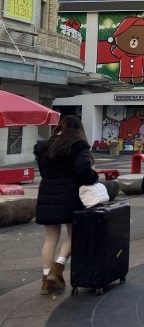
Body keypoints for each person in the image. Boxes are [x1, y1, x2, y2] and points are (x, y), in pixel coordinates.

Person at [34, 115, 98, 295]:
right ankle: (58, 267)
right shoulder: (78, 145)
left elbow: (44, 171)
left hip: (47, 194)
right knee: (74, 234)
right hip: (70, 194)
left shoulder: (44, 147)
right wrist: (93, 178)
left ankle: (46, 280)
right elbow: (83, 170)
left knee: (50, 238)